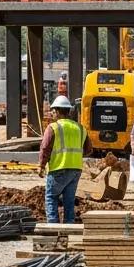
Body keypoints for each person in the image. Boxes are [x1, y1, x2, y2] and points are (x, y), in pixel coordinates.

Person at [38, 95, 93, 224]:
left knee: (51, 197)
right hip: (75, 170)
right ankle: (69, 228)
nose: (52, 114)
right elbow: (89, 149)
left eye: (53, 111)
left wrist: (41, 166)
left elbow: (45, 148)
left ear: (57, 111)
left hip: (58, 168)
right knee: (69, 200)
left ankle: (53, 227)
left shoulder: (53, 128)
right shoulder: (80, 128)